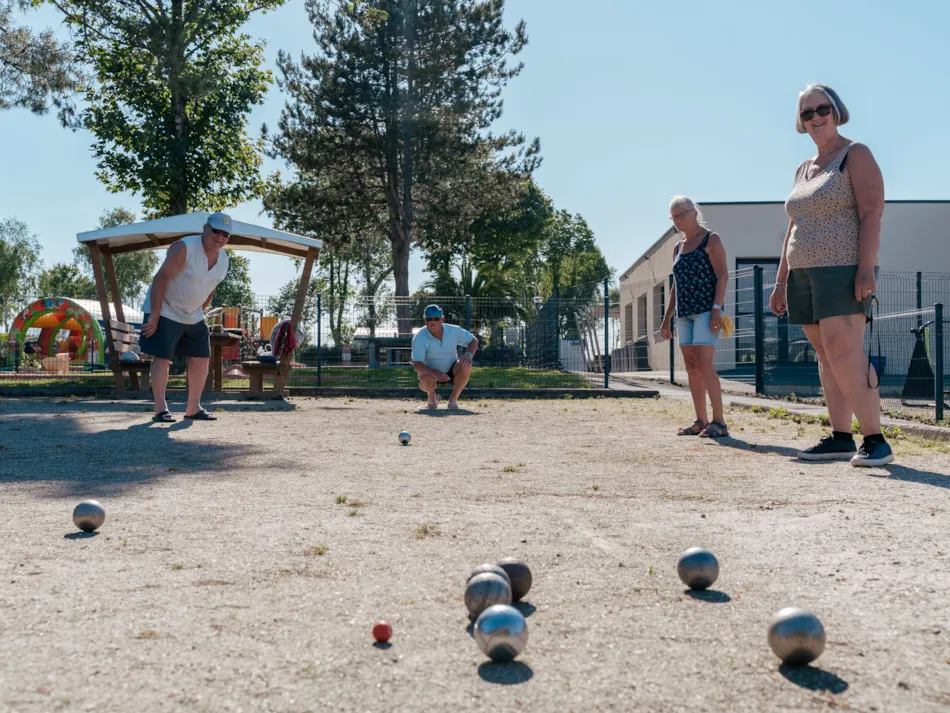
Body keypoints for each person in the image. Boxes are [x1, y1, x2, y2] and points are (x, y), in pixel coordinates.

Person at [771, 84, 893, 467]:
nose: (815, 116)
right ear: (800, 122)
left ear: (836, 110)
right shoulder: (803, 168)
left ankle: (876, 439)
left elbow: (871, 213)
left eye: (822, 108)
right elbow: (793, 226)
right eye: (807, 113)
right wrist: (780, 281)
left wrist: (864, 269)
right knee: (825, 356)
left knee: (845, 351)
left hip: (841, 270)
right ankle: (841, 437)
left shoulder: (855, 154)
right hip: (802, 275)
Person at [139, 212, 232, 423]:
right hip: (165, 308)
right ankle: (160, 408)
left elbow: (211, 288)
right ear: (205, 229)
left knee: (202, 357)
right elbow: (160, 278)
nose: (220, 237)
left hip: (193, 314)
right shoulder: (184, 247)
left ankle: (193, 408)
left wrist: (199, 310)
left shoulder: (224, 260)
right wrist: (154, 316)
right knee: (162, 357)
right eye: (216, 231)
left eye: (225, 234)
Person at [659, 196, 730, 438]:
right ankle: (701, 420)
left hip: (705, 312)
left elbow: (723, 276)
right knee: (691, 366)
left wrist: (716, 309)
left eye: (682, 214)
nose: (678, 220)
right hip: (683, 314)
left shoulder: (712, 239)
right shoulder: (677, 247)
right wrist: (667, 317)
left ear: (694, 212)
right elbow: (676, 285)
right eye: (674, 216)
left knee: (704, 363)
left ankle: (719, 422)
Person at [411, 304, 478, 410]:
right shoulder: (419, 337)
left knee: (466, 364)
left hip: (452, 369)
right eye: (429, 319)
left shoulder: (453, 330)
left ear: (442, 319)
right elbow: (417, 365)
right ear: (425, 319)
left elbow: (473, 340)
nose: (433, 322)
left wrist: (469, 354)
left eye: (436, 319)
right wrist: (436, 373)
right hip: (431, 373)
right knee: (424, 379)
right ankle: (431, 396)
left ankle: (453, 399)